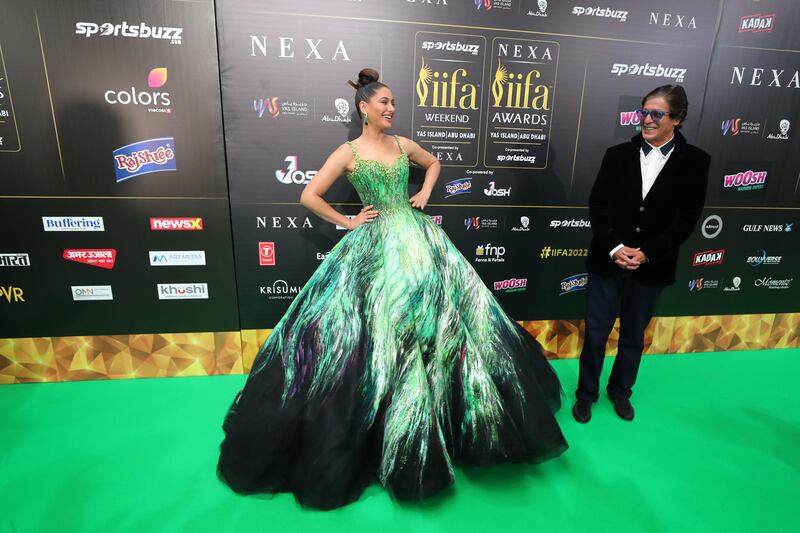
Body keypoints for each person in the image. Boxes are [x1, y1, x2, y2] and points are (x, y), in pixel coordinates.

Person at [217, 68, 568, 509]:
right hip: (375, 243)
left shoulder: (403, 145)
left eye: (394, 103)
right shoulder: (347, 152)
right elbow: (309, 195)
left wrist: (424, 192)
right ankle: (401, 429)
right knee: (386, 333)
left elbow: (434, 162)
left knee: (442, 325)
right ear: (364, 107)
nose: (391, 108)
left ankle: (442, 424)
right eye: (384, 102)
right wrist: (347, 221)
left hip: (420, 239)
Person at [573, 85, 710, 423]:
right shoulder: (616, 154)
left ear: (676, 119)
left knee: (634, 334)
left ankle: (620, 392)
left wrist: (647, 252)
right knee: (595, 331)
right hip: (608, 260)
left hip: (653, 266)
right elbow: (598, 205)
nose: (646, 120)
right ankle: (585, 394)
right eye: (644, 112)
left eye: (656, 114)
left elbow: (686, 218)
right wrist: (616, 247)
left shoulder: (696, 161)